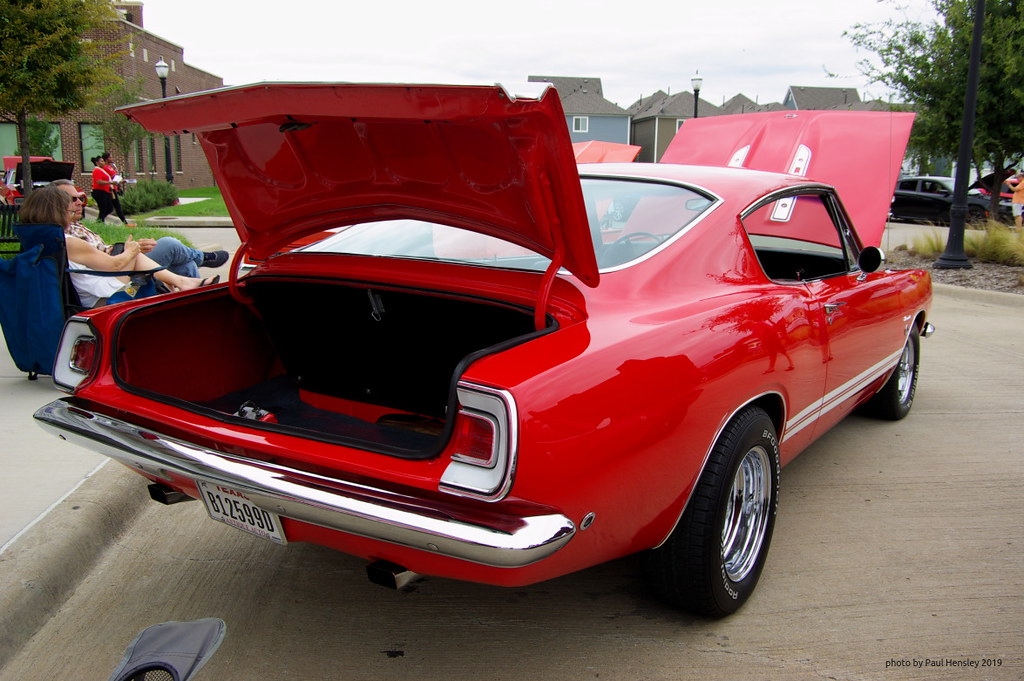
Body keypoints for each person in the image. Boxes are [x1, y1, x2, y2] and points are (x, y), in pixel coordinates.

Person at [18, 185, 218, 307]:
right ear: (57, 211)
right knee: (157, 251)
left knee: (172, 262)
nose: (75, 208)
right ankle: (189, 281)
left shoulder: (37, 239)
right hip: (99, 295)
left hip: (84, 288)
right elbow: (113, 266)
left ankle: (187, 281)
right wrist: (131, 250)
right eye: (69, 208)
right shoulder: (68, 242)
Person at [52, 179, 228, 277]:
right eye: (72, 199)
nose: (79, 203)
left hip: (118, 258)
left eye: (81, 198)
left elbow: (101, 251)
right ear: (56, 204)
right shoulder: (65, 236)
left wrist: (132, 247)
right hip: (116, 271)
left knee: (184, 264)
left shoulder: (76, 226)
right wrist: (130, 251)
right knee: (169, 244)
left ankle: (193, 304)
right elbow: (107, 263)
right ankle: (203, 257)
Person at [90, 155, 118, 223]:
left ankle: (99, 221)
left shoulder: (102, 170)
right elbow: (99, 181)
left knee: (109, 208)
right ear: (97, 163)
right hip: (99, 191)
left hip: (106, 191)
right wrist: (111, 182)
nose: (103, 163)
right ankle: (100, 222)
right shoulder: (96, 170)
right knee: (103, 209)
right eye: (102, 161)